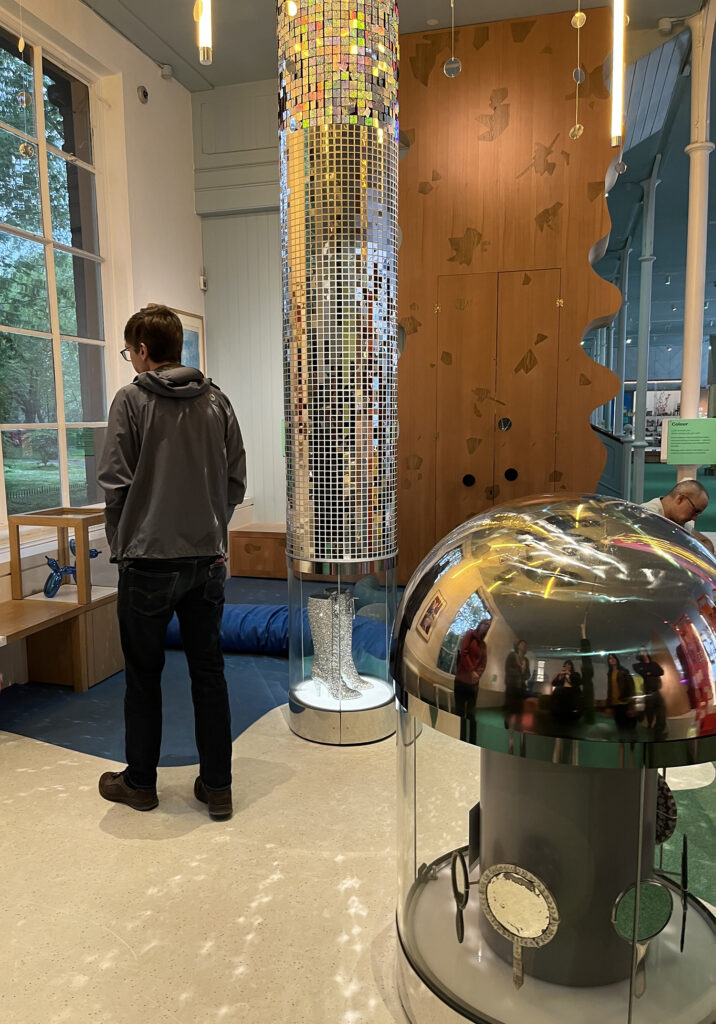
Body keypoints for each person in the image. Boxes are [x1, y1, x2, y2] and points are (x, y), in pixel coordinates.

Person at [97, 305, 246, 820]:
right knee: (209, 673)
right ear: (177, 348)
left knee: (143, 676)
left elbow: (115, 483)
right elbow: (234, 483)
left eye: (129, 351)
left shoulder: (131, 401)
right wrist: (211, 528)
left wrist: (122, 543)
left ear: (142, 351)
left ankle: (140, 783)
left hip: (147, 564)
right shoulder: (218, 403)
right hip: (206, 563)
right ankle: (218, 787)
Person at [641, 480, 714, 554]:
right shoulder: (646, 517)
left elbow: (705, 542)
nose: (694, 518)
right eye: (695, 511)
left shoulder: (675, 518)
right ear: (680, 499)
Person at [454, 618, 491, 723]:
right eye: (485, 623)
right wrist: (471, 671)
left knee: (471, 713)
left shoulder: (483, 645)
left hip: (474, 684)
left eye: (488, 625)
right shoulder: (470, 634)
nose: (486, 626)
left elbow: (483, 663)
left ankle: (469, 738)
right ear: (480, 624)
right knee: (459, 712)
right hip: (461, 680)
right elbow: (464, 653)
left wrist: (477, 675)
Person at [632, 648, 667, 740]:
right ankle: (650, 729)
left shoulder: (654, 664)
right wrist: (650, 672)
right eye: (641, 651)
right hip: (648, 693)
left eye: (644, 651)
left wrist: (649, 672)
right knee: (649, 713)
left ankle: (659, 731)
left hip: (656, 692)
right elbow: (640, 671)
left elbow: (661, 672)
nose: (643, 652)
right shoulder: (639, 665)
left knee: (661, 711)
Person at [605, 653, 636, 733]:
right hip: (615, 703)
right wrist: (608, 705)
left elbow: (631, 688)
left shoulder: (624, 671)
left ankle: (630, 744)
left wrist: (631, 706)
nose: (612, 659)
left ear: (616, 659)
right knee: (619, 727)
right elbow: (609, 689)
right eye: (610, 658)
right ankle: (622, 745)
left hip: (624, 702)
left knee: (628, 727)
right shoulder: (610, 673)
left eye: (613, 657)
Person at [503, 639, 530, 728]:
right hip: (511, 685)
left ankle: (517, 725)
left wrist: (524, 672)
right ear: (518, 645)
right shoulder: (512, 656)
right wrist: (519, 670)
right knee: (510, 706)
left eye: (524, 644)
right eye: (521, 644)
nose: (523, 645)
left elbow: (528, 674)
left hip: (521, 687)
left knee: (519, 708)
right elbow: (508, 669)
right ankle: (507, 724)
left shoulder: (526, 660)